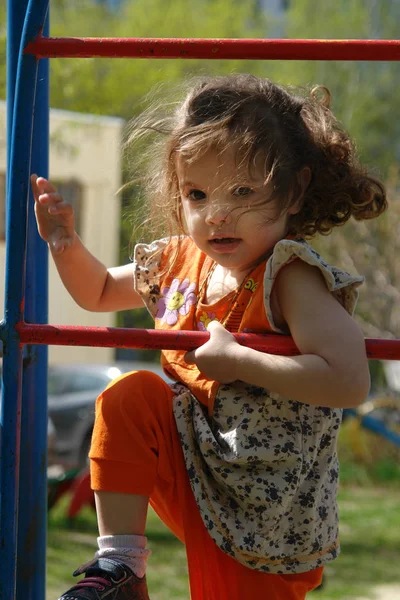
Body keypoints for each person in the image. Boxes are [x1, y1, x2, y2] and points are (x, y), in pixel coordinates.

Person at [32, 74, 387, 600]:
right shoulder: (179, 261)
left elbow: (348, 380)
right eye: (197, 193)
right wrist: (63, 241)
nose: (217, 213)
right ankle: (121, 566)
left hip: (266, 511)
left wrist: (243, 360)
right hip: (192, 467)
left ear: (293, 191)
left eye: (243, 191)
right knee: (129, 397)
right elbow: (101, 290)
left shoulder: (288, 277)